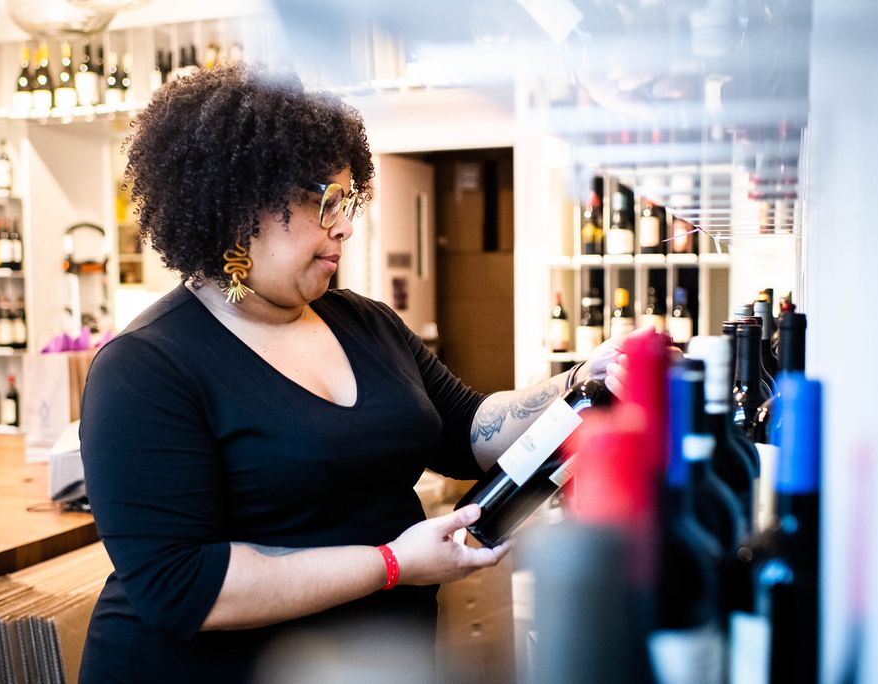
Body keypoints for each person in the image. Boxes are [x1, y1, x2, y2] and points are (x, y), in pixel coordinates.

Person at [78, 63, 629, 683]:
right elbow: (181, 585)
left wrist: (581, 381)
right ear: (236, 211)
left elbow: (468, 428)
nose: (343, 224)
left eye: (348, 200)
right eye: (323, 203)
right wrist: (391, 564)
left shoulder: (364, 323)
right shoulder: (144, 367)